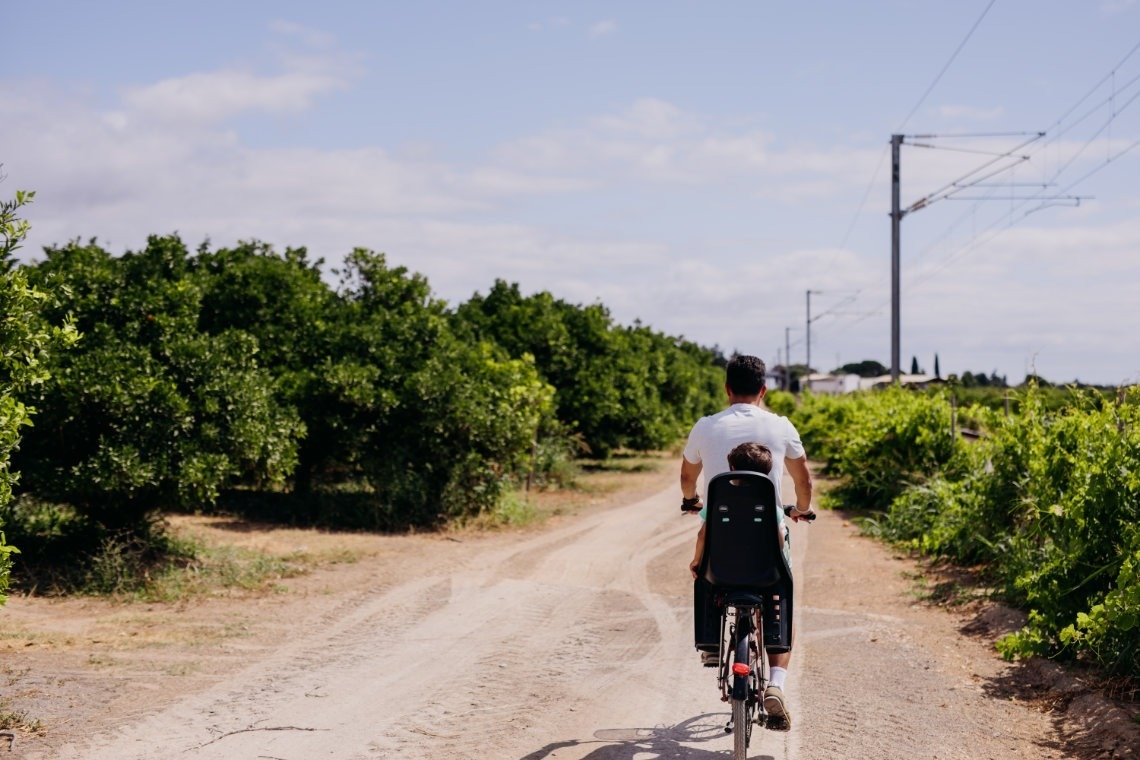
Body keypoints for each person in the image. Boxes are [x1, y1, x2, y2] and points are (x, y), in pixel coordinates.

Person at [680, 354, 814, 730]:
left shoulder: (705, 426)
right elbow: (803, 481)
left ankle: (709, 645)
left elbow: (687, 474)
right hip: (766, 553)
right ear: (764, 389)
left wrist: (691, 500)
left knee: (703, 570)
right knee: (781, 592)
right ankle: (775, 683)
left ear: (727, 389)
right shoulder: (781, 425)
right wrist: (801, 509)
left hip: (720, 551)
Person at [687, 441, 778, 578]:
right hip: (761, 570)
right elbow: (779, 540)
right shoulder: (769, 506)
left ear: (733, 469)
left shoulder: (718, 504)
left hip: (721, 570)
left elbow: (702, 535)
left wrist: (697, 560)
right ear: (767, 472)